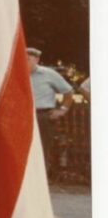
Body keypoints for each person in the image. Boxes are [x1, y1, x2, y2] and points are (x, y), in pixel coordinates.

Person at [27, 47, 74, 181]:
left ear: (37, 59)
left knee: (43, 148)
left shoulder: (49, 74)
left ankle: (41, 180)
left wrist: (63, 109)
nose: (24, 62)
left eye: (27, 59)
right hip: (22, 116)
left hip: (42, 115)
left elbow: (68, 92)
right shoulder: (16, 73)